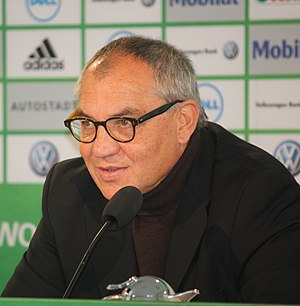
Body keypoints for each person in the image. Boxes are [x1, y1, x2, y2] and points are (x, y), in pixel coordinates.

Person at [2, 36, 300, 303]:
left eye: (124, 123)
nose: (100, 148)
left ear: (182, 121)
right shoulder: (68, 191)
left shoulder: (261, 193)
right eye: (89, 123)